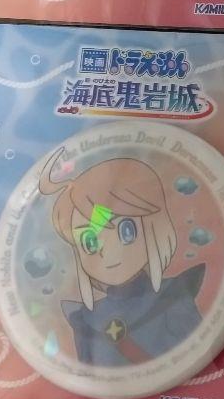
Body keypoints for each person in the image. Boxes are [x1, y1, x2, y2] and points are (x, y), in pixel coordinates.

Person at [38, 147, 203, 366]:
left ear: (154, 227)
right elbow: (88, 373)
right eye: (89, 241)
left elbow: (197, 351)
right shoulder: (85, 319)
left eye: (126, 230)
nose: (109, 250)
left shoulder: (173, 297)